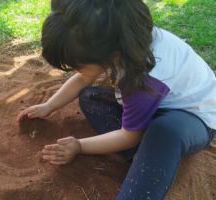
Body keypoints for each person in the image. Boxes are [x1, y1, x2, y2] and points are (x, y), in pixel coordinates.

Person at [17, 0, 216, 199]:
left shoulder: (142, 79)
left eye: (77, 65)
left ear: (107, 54)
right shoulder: (121, 36)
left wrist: (79, 146)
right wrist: (48, 105)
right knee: (90, 96)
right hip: (156, 102)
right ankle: (148, 151)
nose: (76, 71)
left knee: (164, 132)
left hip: (193, 119)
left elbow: (128, 136)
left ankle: (152, 153)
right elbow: (84, 79)